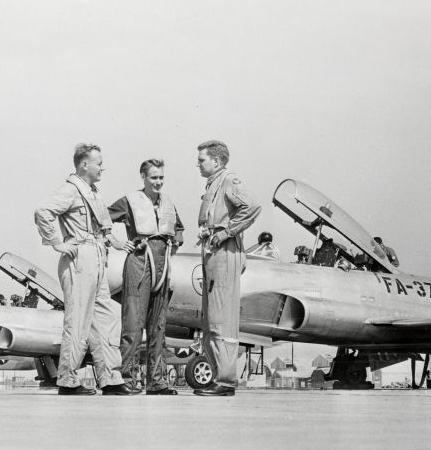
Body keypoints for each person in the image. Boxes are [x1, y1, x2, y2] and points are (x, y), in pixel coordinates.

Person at [34, 143, 133, 396]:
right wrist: (57, 243)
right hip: (80, 258)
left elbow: (103, 225)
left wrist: (114, 241)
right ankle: (67, 380)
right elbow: (43, 211)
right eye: (98, 163)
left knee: (105, 319)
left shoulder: (91, 191)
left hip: (98, 256)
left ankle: (110, 378)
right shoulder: (71, 190)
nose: (103, 167)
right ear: (84, 164)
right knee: (78, 321)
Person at [109, 159, 185, 395]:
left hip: (163, 265)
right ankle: (126, 379)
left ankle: (157, 381)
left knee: (158, 326)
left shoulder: (169, 203)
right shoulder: (130, 200)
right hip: (139, 262)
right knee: (133, 324)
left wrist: (175, 244)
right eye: (153, 178)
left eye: (161, 177)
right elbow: (101, 218)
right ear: (143, 177)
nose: (158, 182)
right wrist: (117, 242)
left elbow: (179, 229)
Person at [194, 140, 261, 396]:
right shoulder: (214, 183)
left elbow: (252, 206)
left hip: (224, 252)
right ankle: (217, 376)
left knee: (222, 319)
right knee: (211, 319)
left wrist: (226, 233)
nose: (198, 164)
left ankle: (226, 380)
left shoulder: (228, 181)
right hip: (213, 252)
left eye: (202, 160)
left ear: (217, 161)